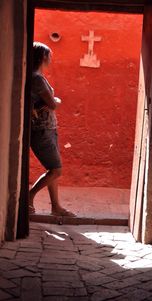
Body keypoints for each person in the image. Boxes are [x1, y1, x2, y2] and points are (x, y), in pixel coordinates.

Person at [29, 41, 75, 217]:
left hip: (47, 128)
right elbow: (52, 104)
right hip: (41, 130)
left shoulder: (38, 77)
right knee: (56, 170)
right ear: (43, 57)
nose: (51, 58)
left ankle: (56, 207)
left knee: (52, 169)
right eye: (49, 55)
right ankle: (29, 196)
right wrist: (56, 101)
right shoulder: (38, 79)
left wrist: (53, 103)